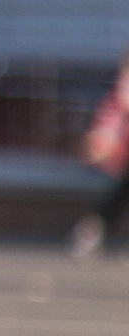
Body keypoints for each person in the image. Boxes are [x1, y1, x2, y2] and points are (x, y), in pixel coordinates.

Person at [66, 51, 129, 259]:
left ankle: (94, 230)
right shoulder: (120, 100)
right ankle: (93, 231)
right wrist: (101, 143)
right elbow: (109, 126)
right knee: (120, 192)